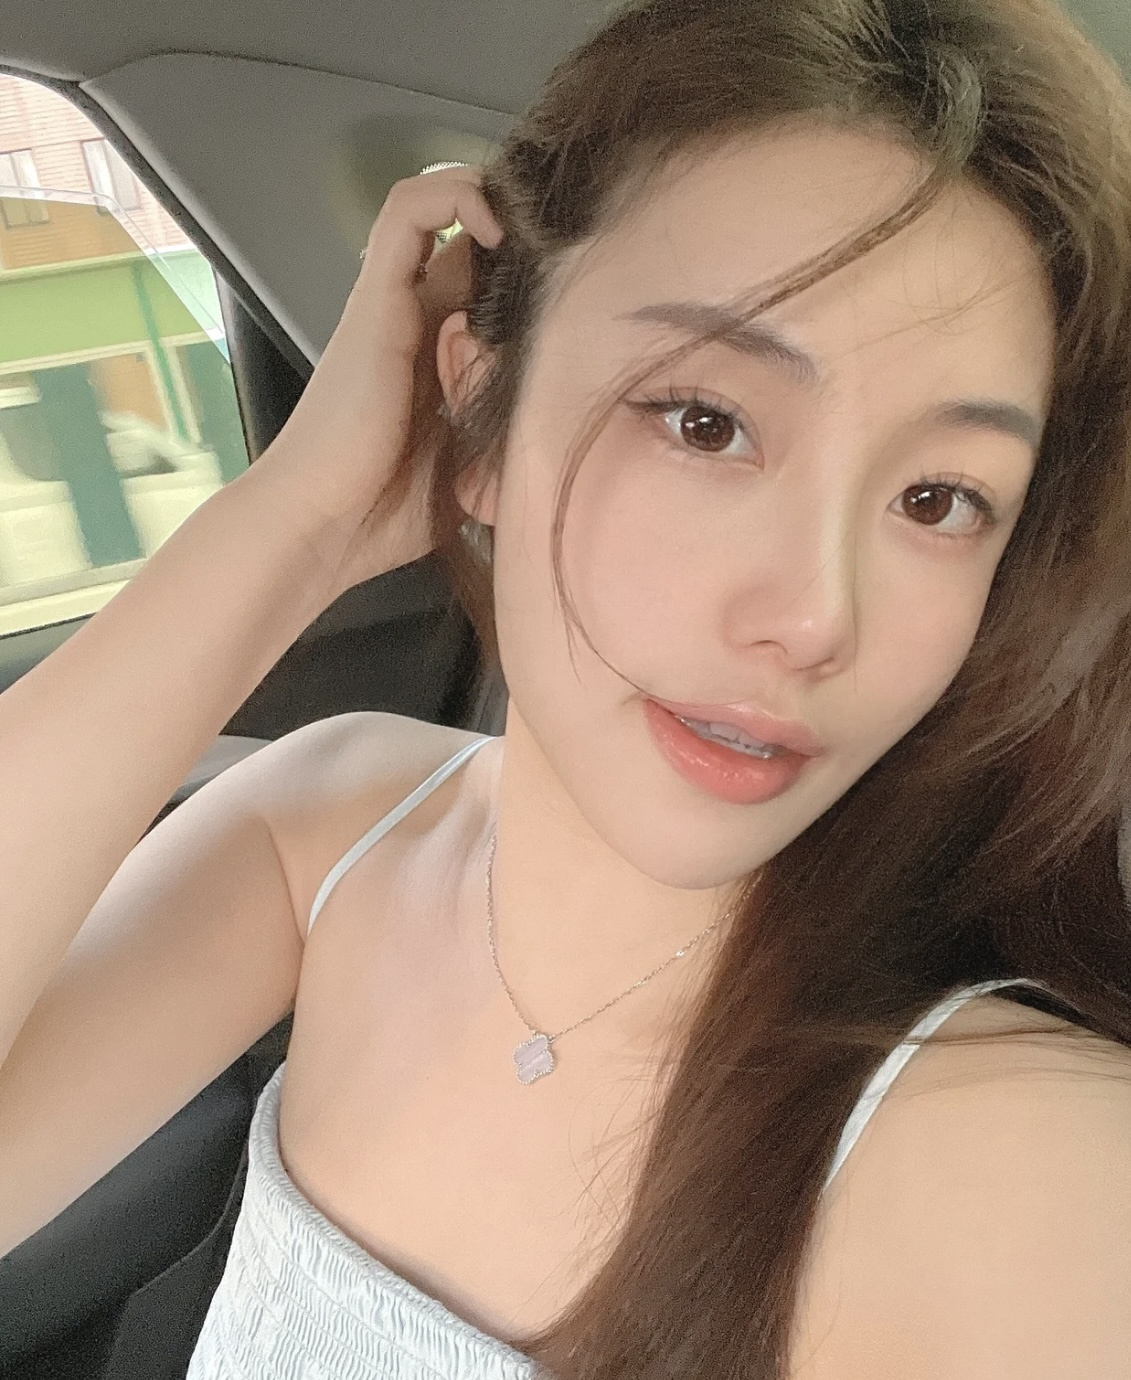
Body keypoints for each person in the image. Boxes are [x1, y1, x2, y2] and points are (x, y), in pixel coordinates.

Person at [3, 0, 1131, 1374]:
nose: (815, 618)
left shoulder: (1036, 1166)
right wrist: (297, 517)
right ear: (483, 414)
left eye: (940, 499)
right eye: (706, 422)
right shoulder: (330, 832)